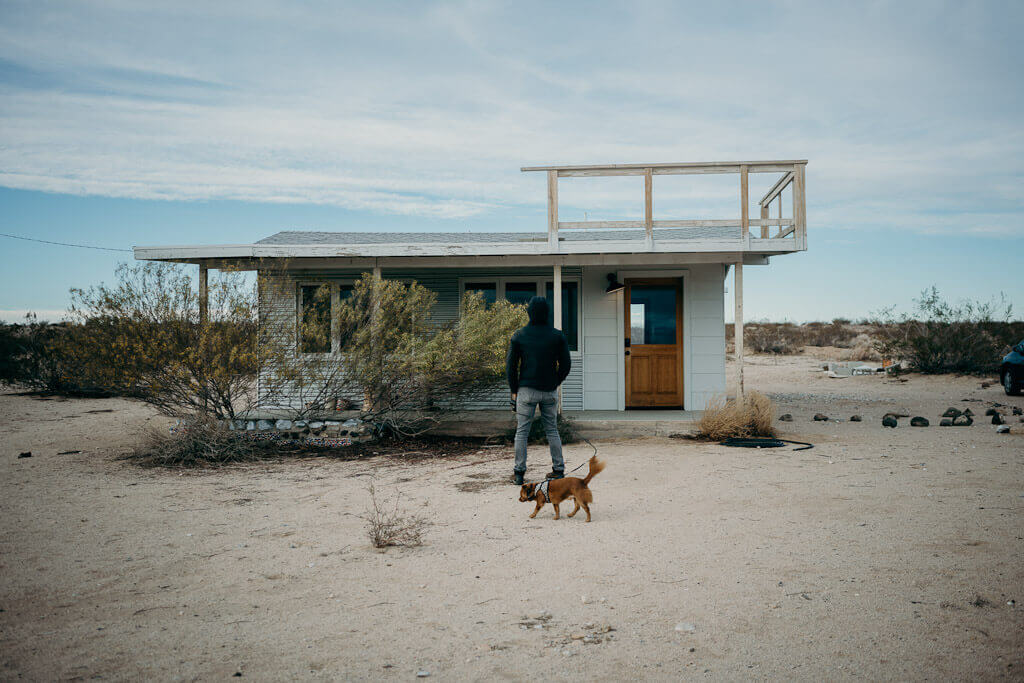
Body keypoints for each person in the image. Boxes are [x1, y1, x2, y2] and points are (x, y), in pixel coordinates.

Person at [506, 295, 571, 486]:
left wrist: (514, 391)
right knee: (552, 430)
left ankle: (519, 474)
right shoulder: (557, 336)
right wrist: (555, 382)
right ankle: (558, 470)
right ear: (547, 313)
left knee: (522, 432)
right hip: (549, 390)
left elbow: (511, 367)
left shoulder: (519, 335)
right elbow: (566, 364)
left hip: (526, 390)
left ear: (529, 313)